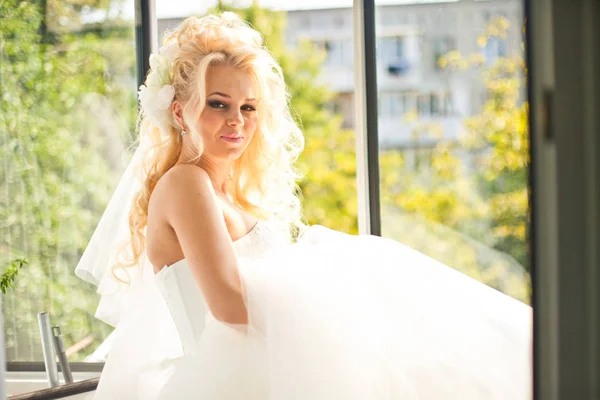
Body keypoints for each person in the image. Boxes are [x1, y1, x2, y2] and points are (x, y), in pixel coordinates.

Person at [76, 12, 532, 400]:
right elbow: (230, 305)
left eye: (248, 107)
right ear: (179, 111)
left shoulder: (223, 189)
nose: (236, 120)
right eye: (218, 104)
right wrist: (335, 279)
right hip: (236, 380)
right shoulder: (185, 183)